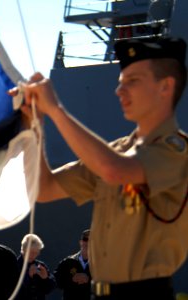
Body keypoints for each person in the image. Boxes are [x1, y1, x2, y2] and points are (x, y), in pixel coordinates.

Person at [17, 37, 188, 299]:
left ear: (165, 86)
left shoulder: (176, 150)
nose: (119, 91)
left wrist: (57, 110)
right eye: (120, 83)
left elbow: (114, 171)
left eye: (132, 81)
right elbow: (45, 189)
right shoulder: (115, 151)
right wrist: (34, 126)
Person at [54, 229, 92, 300]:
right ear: (80, 242)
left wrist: (89, 279)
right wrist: (72, 279)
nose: (87, 243)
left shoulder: (100, 264)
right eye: (85, 240)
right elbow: (56, 281)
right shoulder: (68, 261)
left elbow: (107, 284)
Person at [16, 233, 56, 300]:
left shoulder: (40, 266)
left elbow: (49, 289)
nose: (33, 256)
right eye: (31, 252)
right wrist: (28, 277)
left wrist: (45, 278)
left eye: (36, 253)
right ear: (23, 250)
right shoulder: (14, 265)